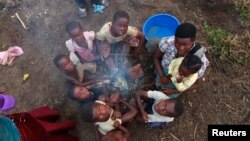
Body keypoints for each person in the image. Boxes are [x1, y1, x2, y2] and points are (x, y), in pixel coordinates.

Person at [154, 22, 209, 90]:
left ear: (193, 40)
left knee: (164, 93)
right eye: (177, 43)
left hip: (179, 83)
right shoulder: (168, 42)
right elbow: (156, 58)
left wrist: (173, 91)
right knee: (157, 84)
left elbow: (197, 84)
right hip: (164, 71)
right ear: (174, 38)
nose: (181, 48)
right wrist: (162, 75)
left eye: (186, 45)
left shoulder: (199, 59)